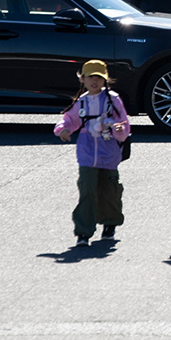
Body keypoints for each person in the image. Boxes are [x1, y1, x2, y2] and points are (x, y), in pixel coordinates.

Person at [55, 59, 132, 247]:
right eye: (90, 77)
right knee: (87, 190)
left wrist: (119, 130)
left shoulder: (113, 100)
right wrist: (62, 130)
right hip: (87, 152)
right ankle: (83, 232)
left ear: (105, 80)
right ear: (82, 79)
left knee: (110, 191)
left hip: (109, 153)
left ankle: (110, 224)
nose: (94, 81)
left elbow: (123, 123)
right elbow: (69, 120)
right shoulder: (81, 102)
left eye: (98, 77)